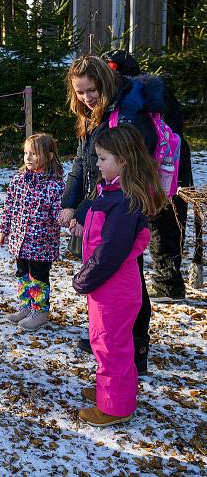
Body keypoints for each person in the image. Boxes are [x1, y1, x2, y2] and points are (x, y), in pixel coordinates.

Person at [60, 55, 157, 375]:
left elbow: (114, 174)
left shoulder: (124, 118)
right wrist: (69, 204)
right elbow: (81, 166)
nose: (86, 98)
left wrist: (84, 211)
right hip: (99, 207)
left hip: (124, 208)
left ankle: (136, 347)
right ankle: (107, 336)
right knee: (106, 276)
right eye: (80, 92)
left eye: (91, 90)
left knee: (129, 277)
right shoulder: (90, 118)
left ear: (104, 82)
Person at [73, 124, 167, 426]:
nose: (97, 164)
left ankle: (115, 406)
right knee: (106, 342)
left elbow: (111, 251)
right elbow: (102, 234)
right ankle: (108, 390)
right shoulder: (112, 191)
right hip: (107, 285)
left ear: (123, 160)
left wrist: (84, 278)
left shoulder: (124, 199)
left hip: (112, 285)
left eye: (102, 159)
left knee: (111, 344)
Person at [102, 49, 192, 303]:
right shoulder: (156, 89)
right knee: (170, 218)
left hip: (150, 165)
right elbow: (177, 123)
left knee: (155, 220)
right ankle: (169, 280)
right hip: (173, 160)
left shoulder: (128, 96)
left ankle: (164, 285)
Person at [0, 133, 65, 331]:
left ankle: (40, 311)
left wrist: (66, 218)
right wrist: (4, 228)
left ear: (49, 156)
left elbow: (58, 212)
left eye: (34, 153)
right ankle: (26, 306)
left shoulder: (54, 185)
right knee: (22, 273)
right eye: (26, 153)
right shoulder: (19, 180)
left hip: (41, 243)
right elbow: (9, 205)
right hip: (20, 240)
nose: (28, 158)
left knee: (38, 276)